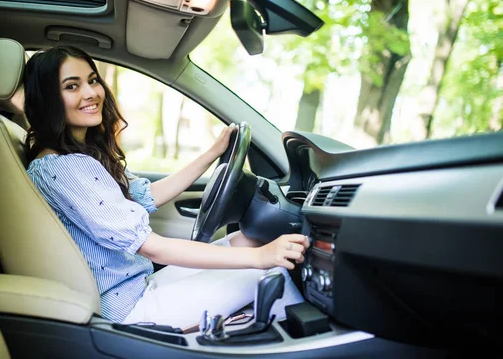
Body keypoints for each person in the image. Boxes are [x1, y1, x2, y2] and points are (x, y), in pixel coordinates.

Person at [23, 45, 309, 330]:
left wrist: (213, 153)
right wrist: (261, 258)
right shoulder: (63, 167)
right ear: (48, 99)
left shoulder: (78, 157)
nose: (91, 93)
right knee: (271, 268)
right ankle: (306, 341)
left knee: (249, 240)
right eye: (72, 86)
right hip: (127, 308)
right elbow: (155, 249)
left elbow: (145, 196)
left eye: (93, 80)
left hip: (138, 284)